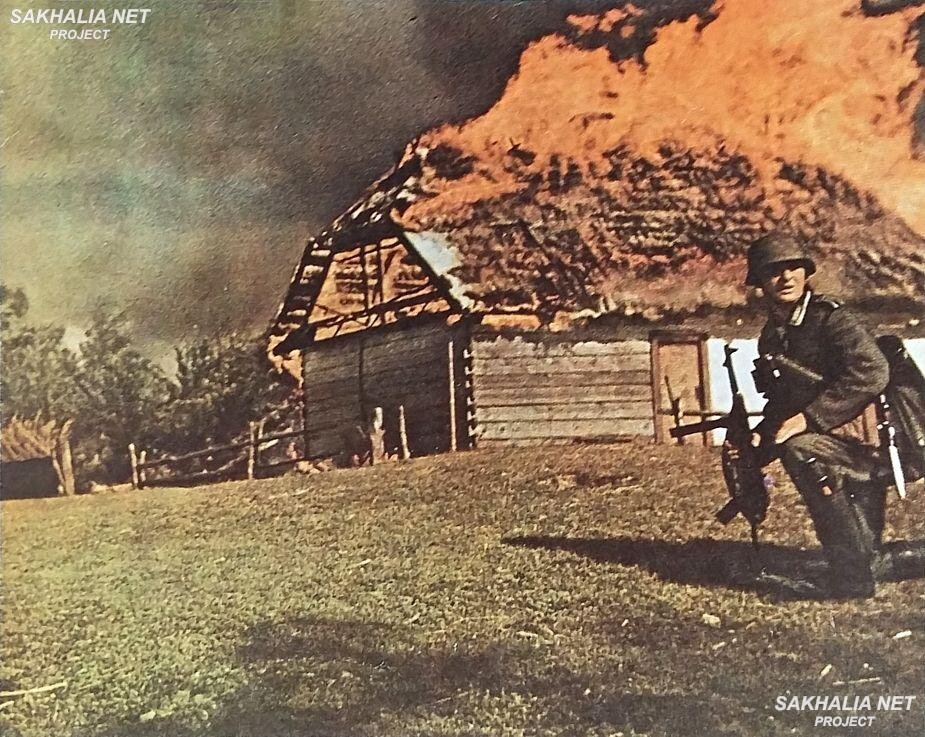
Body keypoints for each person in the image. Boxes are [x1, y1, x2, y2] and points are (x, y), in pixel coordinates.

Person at [745, 232, 898, 598]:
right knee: (798, 448)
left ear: (806, 272)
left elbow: (873, 372)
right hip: (834, 439)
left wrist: (809, 419)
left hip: (867, 439)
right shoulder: (772, 335)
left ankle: (851, 580)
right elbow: (783, 398)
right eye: (774, 271)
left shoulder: (832, 319)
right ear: (759, 282)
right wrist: (763, 431)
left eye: (793, 268)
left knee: (801, 450)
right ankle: (860, 563)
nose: (786, 278)